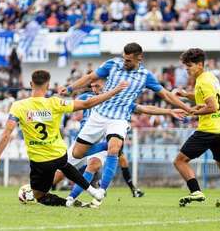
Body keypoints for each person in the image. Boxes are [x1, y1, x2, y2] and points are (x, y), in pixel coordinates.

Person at [59, 43, 190, 206]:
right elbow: (90, 77)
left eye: (128, 60)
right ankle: (102, 150)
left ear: (139, 58)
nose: (125, 62)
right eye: (124, 58)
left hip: (119, 119)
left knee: (114, 148)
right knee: (78, 154)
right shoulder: (112, 64)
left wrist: (186, 108)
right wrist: (70, 88)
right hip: (99, 115)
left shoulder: (145, 76)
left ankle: (101, 191)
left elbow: (165, 95)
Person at [0, 70, 128, 207]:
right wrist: (114, 91)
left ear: (31, 84)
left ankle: (67, 202)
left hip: (39, 160)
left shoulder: (18, 106)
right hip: (58, 154)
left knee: (40, 196)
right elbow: (86, 104)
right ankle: (92, 191)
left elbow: (6, 133)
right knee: (65, 165)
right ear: (48, 85)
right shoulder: (55, 102)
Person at [53, 79, 186, 201]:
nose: (94, 89)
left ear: (107, 84)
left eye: (97, 86)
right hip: (82, 140)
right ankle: (38, 191)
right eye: (92, 86)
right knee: (59, 174)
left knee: (93, 165)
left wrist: (168, 111)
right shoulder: (85, 97)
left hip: (102, 139)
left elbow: (144, 108)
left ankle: (71, 199)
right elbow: (69, 105)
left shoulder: (119, 102)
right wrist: (62, 95)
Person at [174, 48, 220, 208]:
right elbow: (204, 96)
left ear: (199, 64)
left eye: (189, 66)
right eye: (186, 67)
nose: (187, 70)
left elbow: (212, 106)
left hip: (208, 130)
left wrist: (192, 111)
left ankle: (196, 192)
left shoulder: (203, 81)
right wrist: (186, 94)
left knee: (180, 161)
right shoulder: (210, 77)